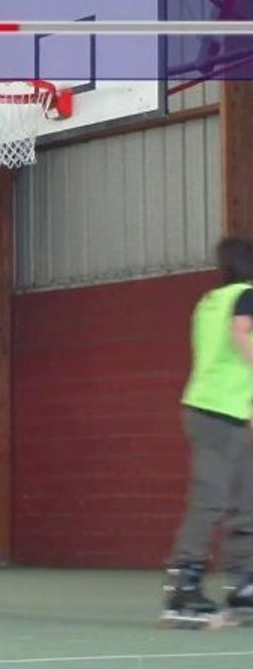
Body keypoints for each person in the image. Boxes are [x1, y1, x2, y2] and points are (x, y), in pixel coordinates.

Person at [163, 237, 253, 626]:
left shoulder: (208, 302)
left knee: (246, 497)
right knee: (212, 499)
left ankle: (245, 584)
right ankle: (184, 584)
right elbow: (241, 334)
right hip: (219, 412)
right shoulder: (247, 296)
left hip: (220, 410)